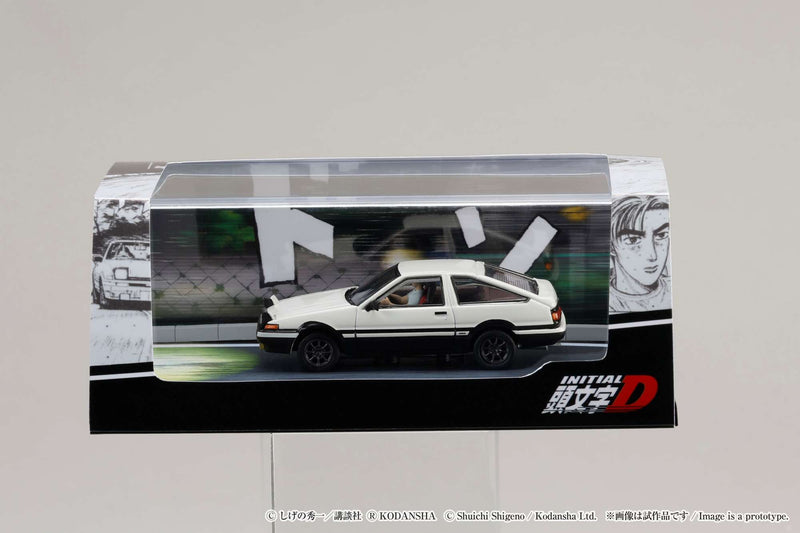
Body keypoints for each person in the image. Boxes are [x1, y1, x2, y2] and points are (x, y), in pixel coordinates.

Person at [609, 195, 671, 313]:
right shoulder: (605, 304)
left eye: (661, 235)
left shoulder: (676, 289)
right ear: (611, 246)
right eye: (633, 240)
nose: (652, 256)